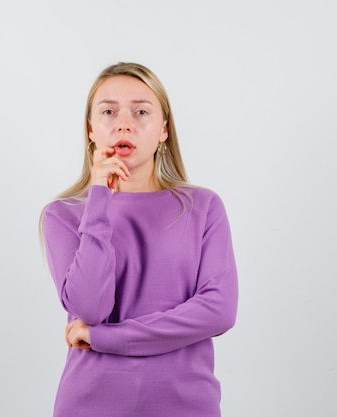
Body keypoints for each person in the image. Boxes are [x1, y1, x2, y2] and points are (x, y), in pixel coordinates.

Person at [40, 62, 238, 417]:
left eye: (141, 111)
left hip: (186, 405)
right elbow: (90, 308)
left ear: (164, 130)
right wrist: (99, 199)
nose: (123, 122)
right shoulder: (63, 215)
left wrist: (107, 338)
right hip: (90, 404)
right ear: (90, 129)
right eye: (108, 111)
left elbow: (217, 311)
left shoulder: (203, 207)